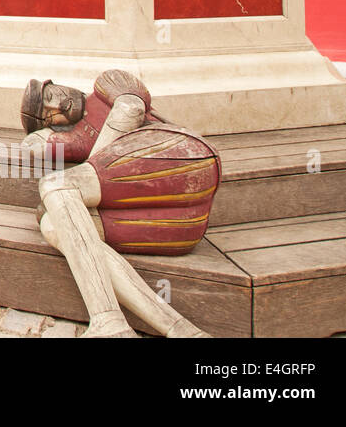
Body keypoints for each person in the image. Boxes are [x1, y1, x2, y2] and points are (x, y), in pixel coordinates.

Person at [19, 70, 219, 338]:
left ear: (59, 84)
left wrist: (90, 166)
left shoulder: (106, 85)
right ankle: (182, 331)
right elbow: (33, 145)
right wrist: (42, 133)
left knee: (56, 186)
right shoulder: (75, 138)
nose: (58, 105)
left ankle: (108, 324)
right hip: (174, 223)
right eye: (49, 114)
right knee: (52, 223)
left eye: (52, 95)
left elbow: (130, 108)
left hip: (181, 157)